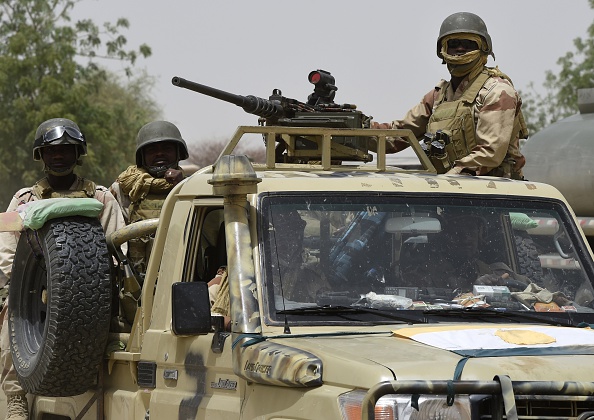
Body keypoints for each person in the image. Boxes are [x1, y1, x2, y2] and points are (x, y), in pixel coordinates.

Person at [0, 118, 126, 420]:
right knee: (11, 329)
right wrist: (16, 286)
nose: (59, 156)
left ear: (77, 154)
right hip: (35, 291)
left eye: (67, 150)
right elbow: (6, 247)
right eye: (52, 151)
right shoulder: (23, 199)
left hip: (89, 293)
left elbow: (118, 247)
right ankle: (16, 398)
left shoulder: (101, 198)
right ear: (41, 156)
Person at [372, 12, 527, 179]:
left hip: (496, 194)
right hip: (449, 191)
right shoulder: (438, 97)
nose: (460, 49)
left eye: (468, 44)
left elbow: (490, 153)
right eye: (453, 43)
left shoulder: (497, 91)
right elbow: (397, 136)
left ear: (484, 49)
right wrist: (353, 128)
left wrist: (449, 178)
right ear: (442, 51)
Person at [110, 120, 189, 276]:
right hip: (136, 279)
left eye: (167, 148)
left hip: (183, 275)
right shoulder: (125, 189)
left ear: (178, 153)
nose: (159, 154)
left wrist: (182, 187)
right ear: (142, 156)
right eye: (152, 150)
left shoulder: (191, 188)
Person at [399, 211, 530, 293]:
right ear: (445, 237)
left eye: (471, 230)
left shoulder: (496, 272)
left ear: (480, 236)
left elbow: (531, 293)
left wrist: (500, 286)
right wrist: (477, 290)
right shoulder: (424, 273)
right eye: (457, 232)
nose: (466, 238)